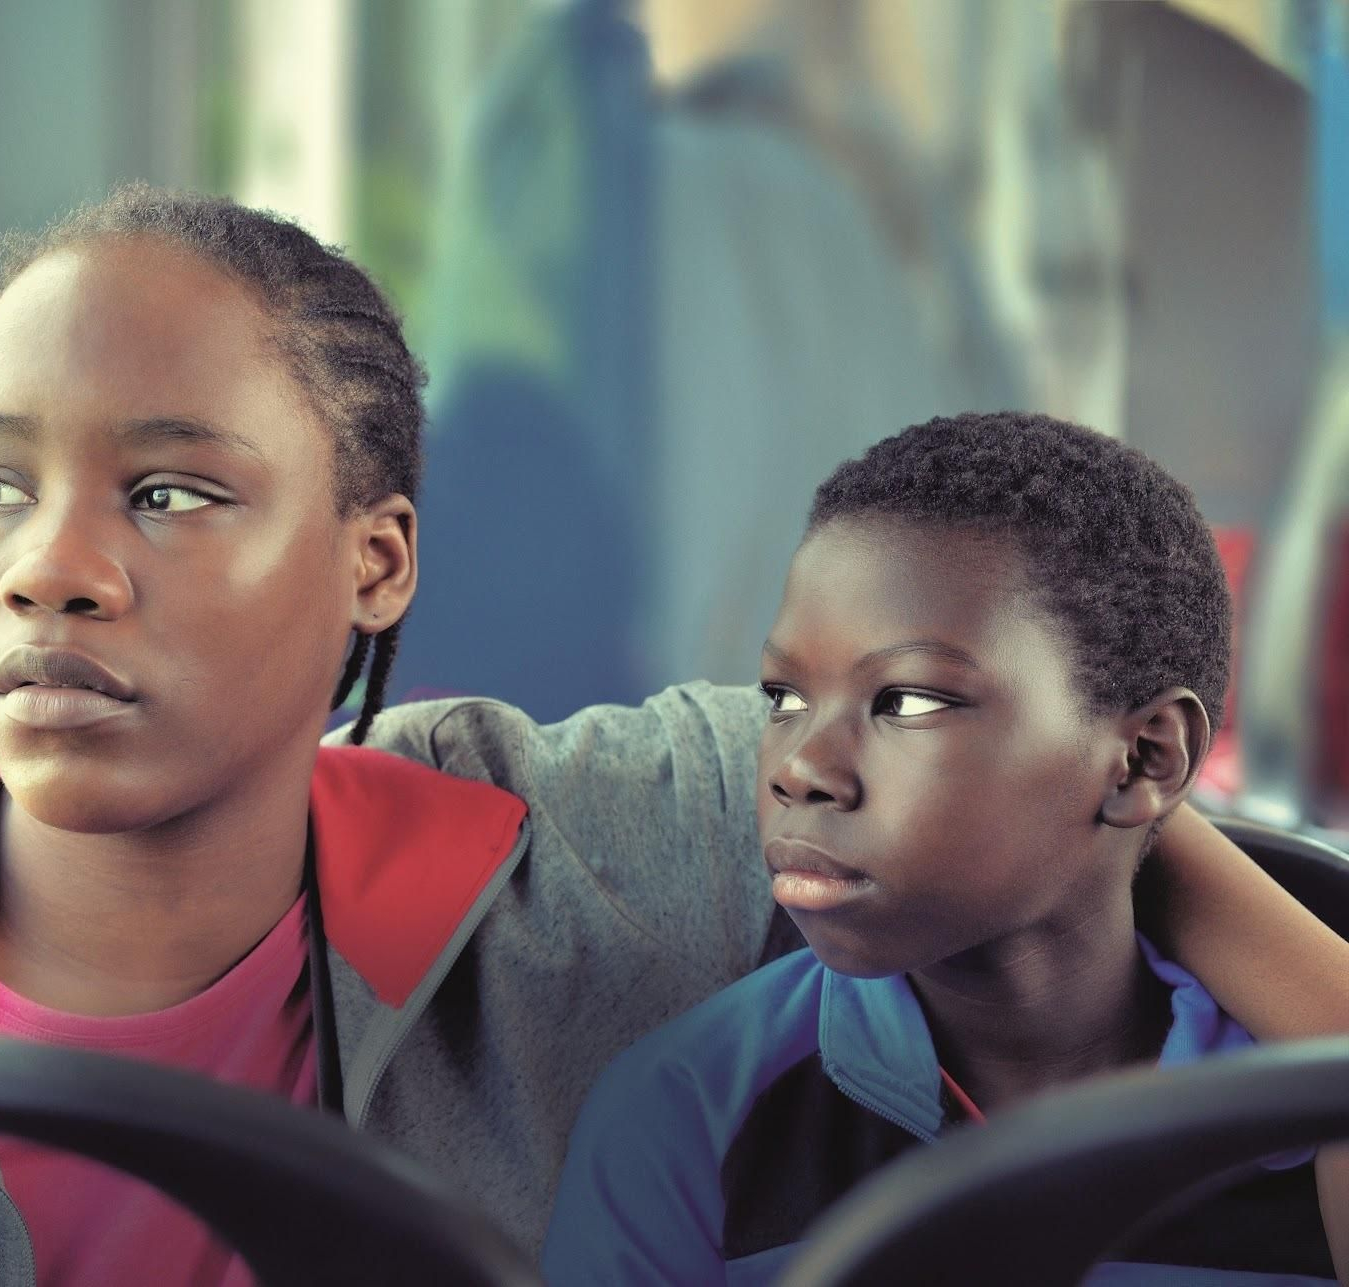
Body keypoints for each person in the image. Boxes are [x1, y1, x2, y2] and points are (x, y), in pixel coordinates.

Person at [0, 190, 1341, 1284]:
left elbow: (1049, 804)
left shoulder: (596, 849)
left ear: (376, 560)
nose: (48, 566)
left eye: (172, 492)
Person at [541, 412, 1348, 1285]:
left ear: (1146, 756)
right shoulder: (685, 1118)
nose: (802, 767)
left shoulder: (1307, 1107)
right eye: (782, 695)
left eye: (910, 702)